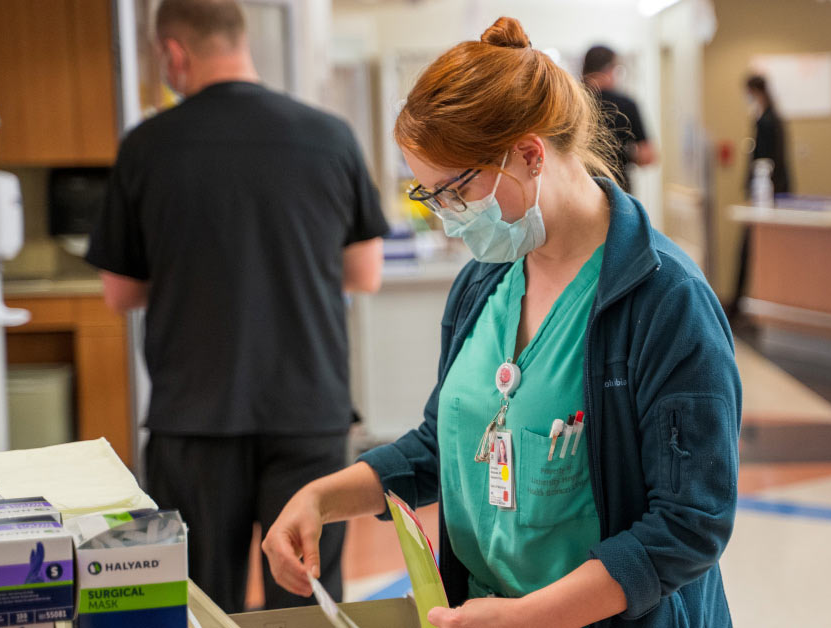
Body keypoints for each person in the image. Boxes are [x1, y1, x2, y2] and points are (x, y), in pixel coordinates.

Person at [263, 17, 740, 628]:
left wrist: (528, 616)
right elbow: (447, 446)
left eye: (456, 191)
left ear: (529, 154)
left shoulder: (664, 301)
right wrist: (320, 498)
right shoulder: (487, 281)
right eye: (430, 195)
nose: (448, 217)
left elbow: (689, 524)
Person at [85, 0, 387, 613]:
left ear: (174, 51)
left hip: (194, 416)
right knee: (307, 603)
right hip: (308, 408)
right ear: (239, 40)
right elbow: (365, 273)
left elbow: (120, 292)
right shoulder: (329, 135)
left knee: (196, 601)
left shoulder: (148, 146)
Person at [729, 74, 793, 321]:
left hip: (766, 196)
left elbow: (766, 162)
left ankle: (739, 304)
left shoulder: (767, 122)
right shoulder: (769, 118)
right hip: (768, 193)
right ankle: (741, 303)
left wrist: (757, 193)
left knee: (752, 249)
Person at [582, 45, 656, 194]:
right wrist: (626, 152)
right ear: (610, 70)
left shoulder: (570, 101)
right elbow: (648, 156)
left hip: (580, 190)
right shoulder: (626, 104)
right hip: (618, 193)